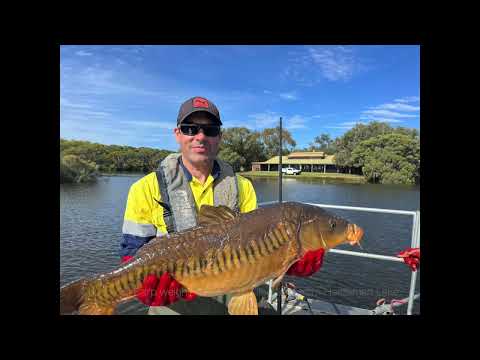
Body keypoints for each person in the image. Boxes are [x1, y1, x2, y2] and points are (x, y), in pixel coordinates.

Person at [120, 96, 325, 315]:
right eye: (190, 128)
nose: (200, 136)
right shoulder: (144, 188)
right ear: (178, 134)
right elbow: (131, 255)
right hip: (172, 306)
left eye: (210, 130)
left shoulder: (242, 186)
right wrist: (144, 287)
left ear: (220, 137)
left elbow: (259, 249)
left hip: (233, 299)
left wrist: (291, 258)